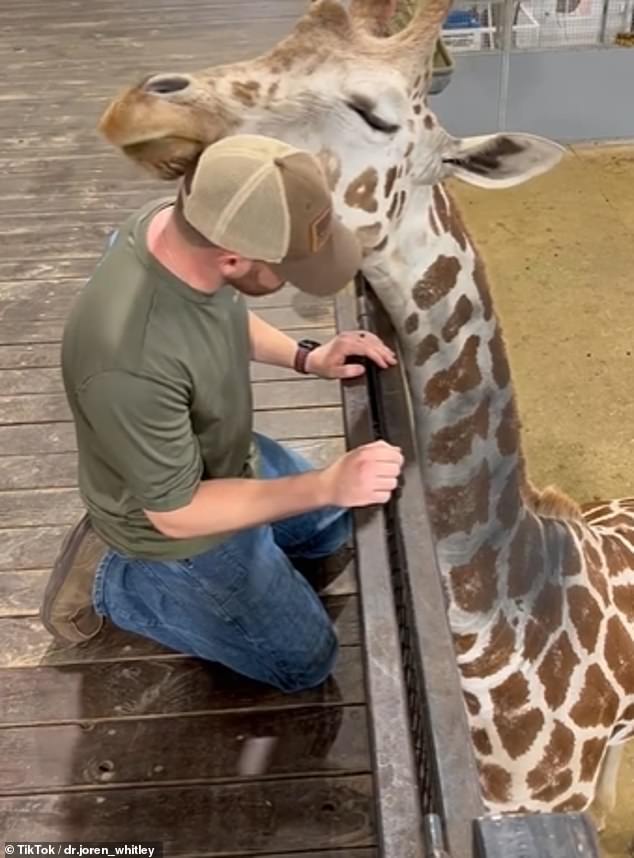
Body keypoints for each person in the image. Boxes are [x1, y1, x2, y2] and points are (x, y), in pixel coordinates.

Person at [41, 133, 404, 693]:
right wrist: (327, 484)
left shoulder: (181, 226)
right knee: (304, 664)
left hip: (224, 453)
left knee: (327, 535)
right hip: (172, 521)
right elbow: (178, 513)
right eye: (288, 267)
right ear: (233, 257)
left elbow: (224, 310)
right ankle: (114, 583)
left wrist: (309, 357)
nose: (292, 277)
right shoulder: (126, 361)